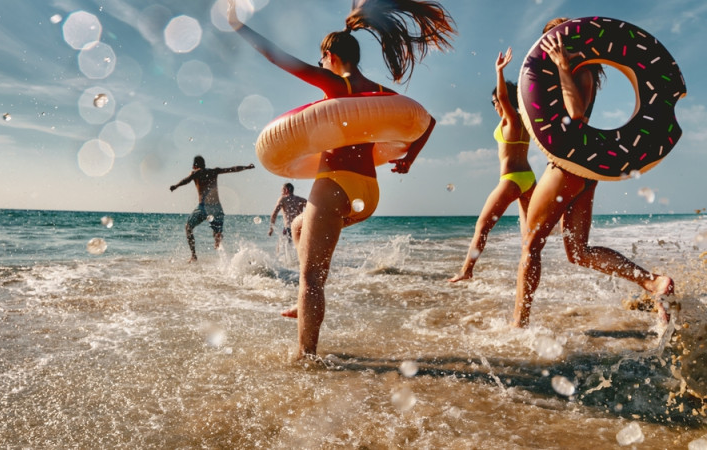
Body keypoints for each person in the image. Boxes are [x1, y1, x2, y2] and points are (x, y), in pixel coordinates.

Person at [228, 0, 453, 358]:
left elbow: (278, 57)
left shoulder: (337, 86)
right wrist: (408, 159)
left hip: (334, 184)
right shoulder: (380, 93)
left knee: (311, 280)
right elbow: (428, 122)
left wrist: (238, 26)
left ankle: (305, 356)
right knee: (300, 227)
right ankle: (306, 308)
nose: (319, 65)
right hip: (367, 193)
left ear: (330, 54)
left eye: (321, 59)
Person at [513, 18, 675, 328]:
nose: (551, 47)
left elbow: (575, 115)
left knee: (531, 247)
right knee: (579, 252)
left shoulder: (577, 72)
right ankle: (653, 283)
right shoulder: (576, 74)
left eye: (555, 41)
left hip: (567, 167)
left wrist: (562, 66)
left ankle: (518, 326)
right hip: (584, 170)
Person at [449, 47, 535, 283]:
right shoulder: (525, 121)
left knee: (482, 226)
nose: (494, 106)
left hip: (512, 180)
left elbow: (505, 98)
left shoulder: (512, 119)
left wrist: (499, 71)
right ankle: (527, 276)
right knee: (528, 239)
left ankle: (467, 270)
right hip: (529, 180)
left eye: (494, 102)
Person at [169, 155, 255, 262]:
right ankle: (218, 238)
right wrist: (246, 167)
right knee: (216, 232)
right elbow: (232, 169)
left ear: (194, 166)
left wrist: (176, 186)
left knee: (188, 227)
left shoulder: (196, 173)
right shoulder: (214, 171)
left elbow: (186, 180)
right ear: (204, 164)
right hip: (217, 208)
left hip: (204, 207)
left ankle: (193, 256)